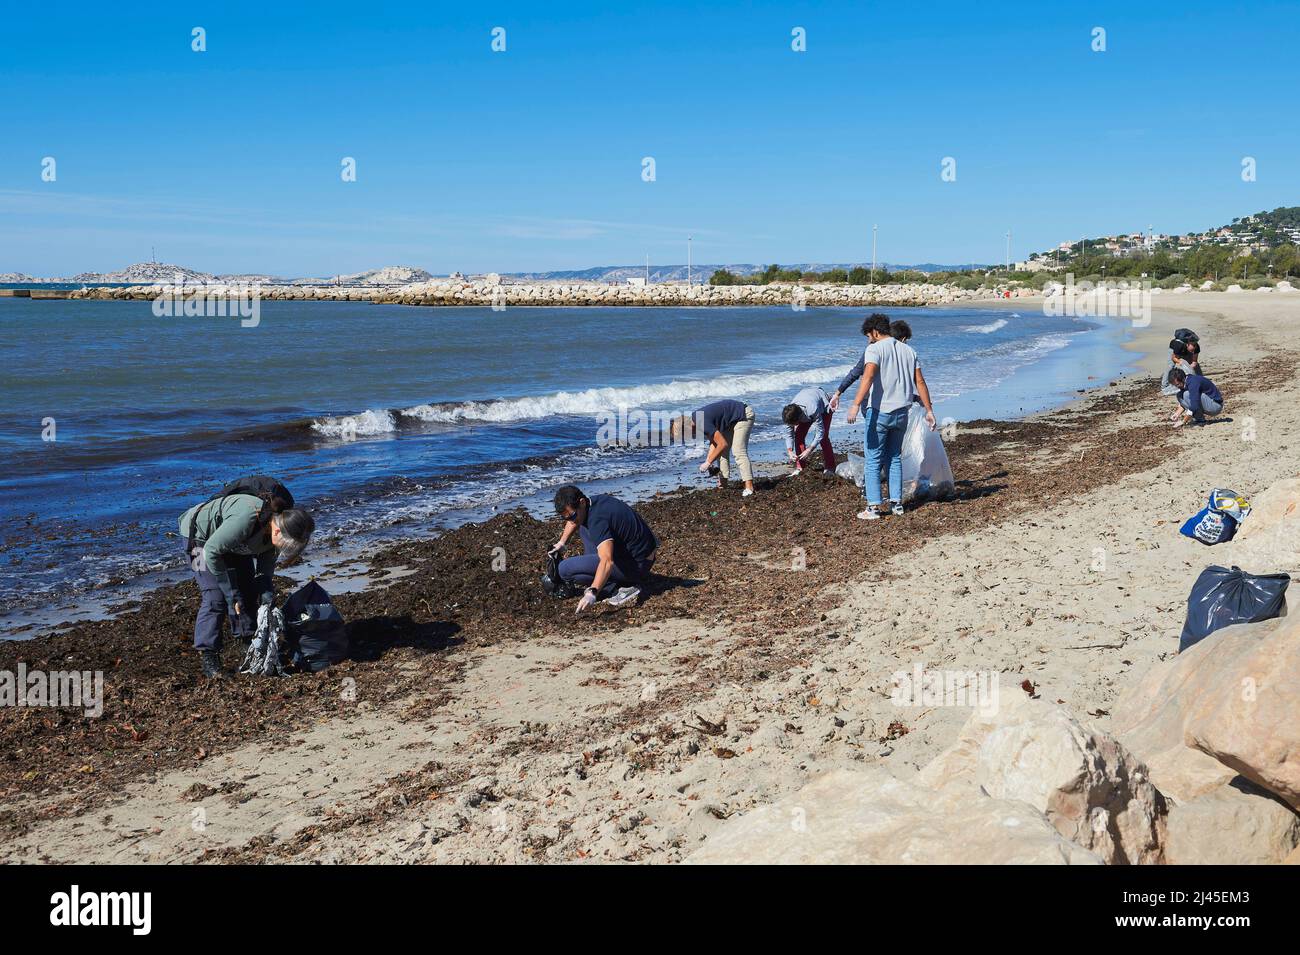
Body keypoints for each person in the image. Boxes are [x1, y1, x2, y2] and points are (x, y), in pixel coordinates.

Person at [179, 485, 315, 678]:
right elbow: (211, 551)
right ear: (278, 532)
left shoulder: (274, 535)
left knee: (249, 591)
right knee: (215, 597)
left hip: (233, 542)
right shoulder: (247, 520)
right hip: (199, 540)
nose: (284, 550)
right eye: (286, 546)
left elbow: (263, 574)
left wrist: (267, 596)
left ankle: (247, 644)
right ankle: (209, 658)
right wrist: (230, 593)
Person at [845, 313, 937, 519]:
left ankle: (873, 508)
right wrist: (929, 411)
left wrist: (855, 404)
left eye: (869, 335)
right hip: (902, 413)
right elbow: (920, 382)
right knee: (894, 457)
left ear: (875, 332)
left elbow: (867, 377)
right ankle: (897, 505)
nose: (869, 339)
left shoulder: (874, 349)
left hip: (879, 413)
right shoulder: (909, 350)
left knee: (873, 459)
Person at [550, 485, 658, 613]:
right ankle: (610, 580)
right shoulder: (593, 503)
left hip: (637, 565)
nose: (570, 520)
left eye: (572, 516)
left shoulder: (597, 520)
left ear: (582, 502)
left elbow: (607, 561)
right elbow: (573, 521)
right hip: (642, 555)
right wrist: (562, 543)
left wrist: (593, 592)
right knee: (583, 527)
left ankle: (620, 589)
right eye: (565, 518)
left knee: (565, 569)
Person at [671, 399, 756, 496]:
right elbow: (715, 442)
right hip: (730, 420)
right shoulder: (696, 420)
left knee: (738, 451)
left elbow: (722, 444)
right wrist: (709, 460)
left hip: (743, 414)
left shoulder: (701, 422)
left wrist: (708, 462)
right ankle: (723, 485)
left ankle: (749, 487)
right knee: (721, 452)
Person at [826, 318, 914, 410]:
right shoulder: (902, 354)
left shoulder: (875, 350)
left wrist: (838, 393)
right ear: (903, 339)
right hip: (878, 404)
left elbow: (855, 373)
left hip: (874, 403)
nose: (869, 341)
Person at [782, 386, 835, 474]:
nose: (792, 426)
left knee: (824, 438)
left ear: (799, 419)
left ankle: (830, 467)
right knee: (798, 436)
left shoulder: (812, 410)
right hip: (806, 398)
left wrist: (810, 449)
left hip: (823, 404)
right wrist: (790, 451)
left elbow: (820, 432)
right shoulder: (789, 414)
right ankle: (801, 468)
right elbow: (789, 434)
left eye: (794, 424)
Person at [1160, 340, 1198, 422]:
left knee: (1186, 394)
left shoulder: (1195, 348)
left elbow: (1194, 361)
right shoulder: (1178, 346)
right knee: (1170, 366)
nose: (1192, 351)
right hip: (1175, 352)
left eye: (1193, 351)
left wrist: (1184, 421)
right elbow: (1173, 358)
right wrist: (1180, 362)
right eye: (1191, 350)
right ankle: (1164, 385)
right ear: (1188, 345)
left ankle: (1198, 417)